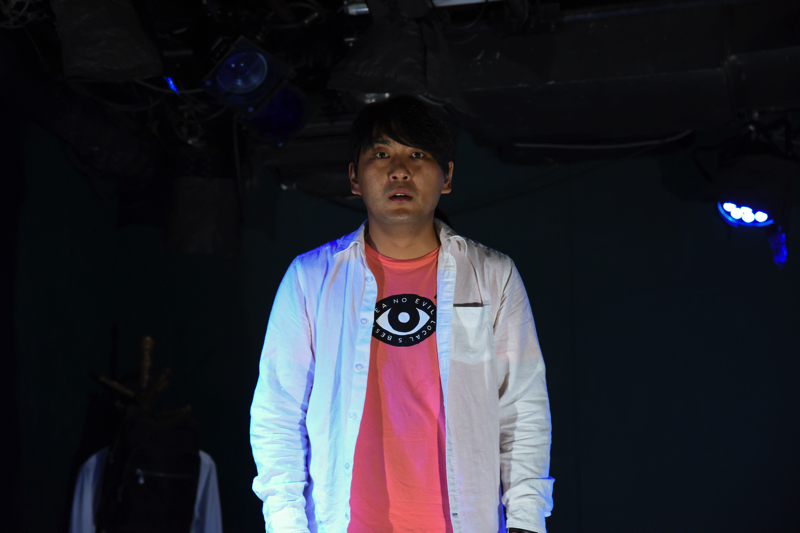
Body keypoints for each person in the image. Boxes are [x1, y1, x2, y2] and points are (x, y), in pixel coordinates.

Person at [250, 95, 554, 533]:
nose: (399, 170)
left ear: (447, 177)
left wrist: (526, 520)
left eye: (418, 154)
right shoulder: (311, 278)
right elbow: (278, 411)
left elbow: (522, 407)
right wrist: (286, 523)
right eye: (381, 154)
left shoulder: (492, 275)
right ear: (354, 177)